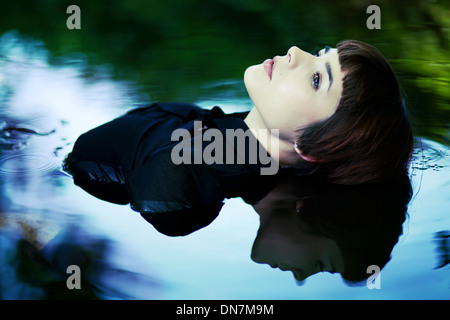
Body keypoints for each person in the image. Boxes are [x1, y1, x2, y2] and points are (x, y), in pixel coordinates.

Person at [63, 40, 413, 233]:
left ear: (310, 146)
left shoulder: (186, 168)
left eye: (317, 79)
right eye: (319, 54)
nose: (295, 52)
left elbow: (161, 198)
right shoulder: (238, 156)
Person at [250, 172, 413, 284]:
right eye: (320, 264)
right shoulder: (237, 151)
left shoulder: (241, 157)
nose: (300, 277)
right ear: (315, 214)